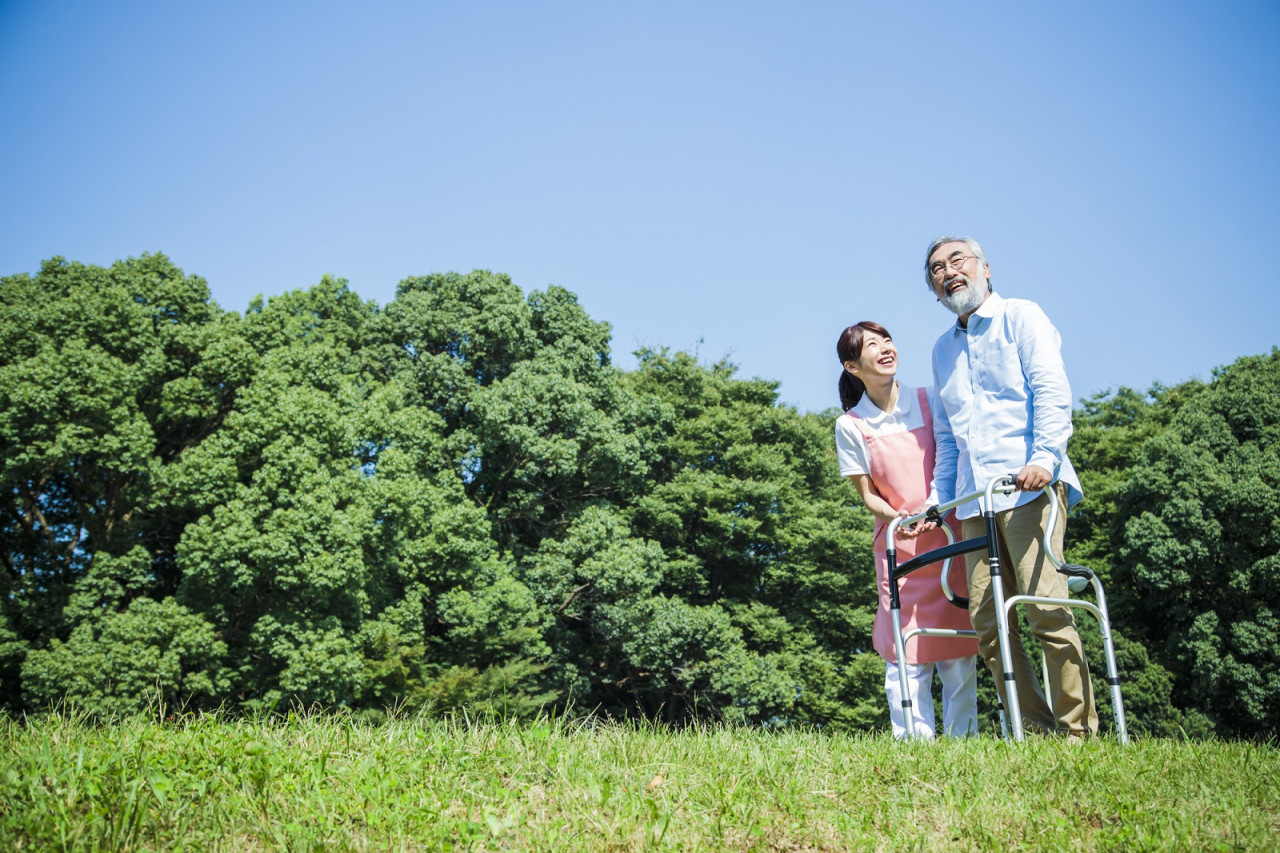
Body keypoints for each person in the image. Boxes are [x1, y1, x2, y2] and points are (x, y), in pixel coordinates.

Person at [922, 235, 1098, 738]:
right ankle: (1036, 732)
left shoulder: (1022, 316)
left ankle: (1079, 733)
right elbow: (948, 437)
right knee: (987, 622)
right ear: (933, 288)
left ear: (984, 268)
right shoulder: (941, 351)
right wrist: (941, 496)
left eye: (959, 261)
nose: (948, 271)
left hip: (1029, 487)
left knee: (1045, 607)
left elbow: (1050, 388)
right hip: (977, 500)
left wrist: (1045, 456)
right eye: (936, 268)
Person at [834, 321, 979, 739]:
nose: (885, 349)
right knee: (905, 651)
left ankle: (963, 746)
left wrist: (934, 505)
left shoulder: (929, 400)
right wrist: (900, 519)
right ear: (852, 366)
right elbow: (868, 496)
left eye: (887, 340)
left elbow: (950, 457)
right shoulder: (851, 425)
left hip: (949, 537)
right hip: (901, 546)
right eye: (871, 345)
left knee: (959, 647)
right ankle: (914, 746)